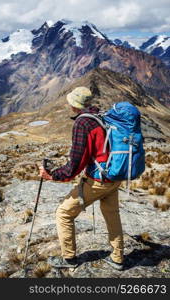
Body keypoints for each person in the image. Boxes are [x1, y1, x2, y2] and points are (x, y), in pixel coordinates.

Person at [39, 86, 124, 270]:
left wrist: (52, 175)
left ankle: (69, 258)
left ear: (74, 104)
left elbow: (75, 165)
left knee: (63, 213)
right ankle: (117, 257)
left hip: (98, 179)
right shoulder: (100, 115)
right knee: (112, 215)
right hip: (114, 176)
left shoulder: (82, 123)